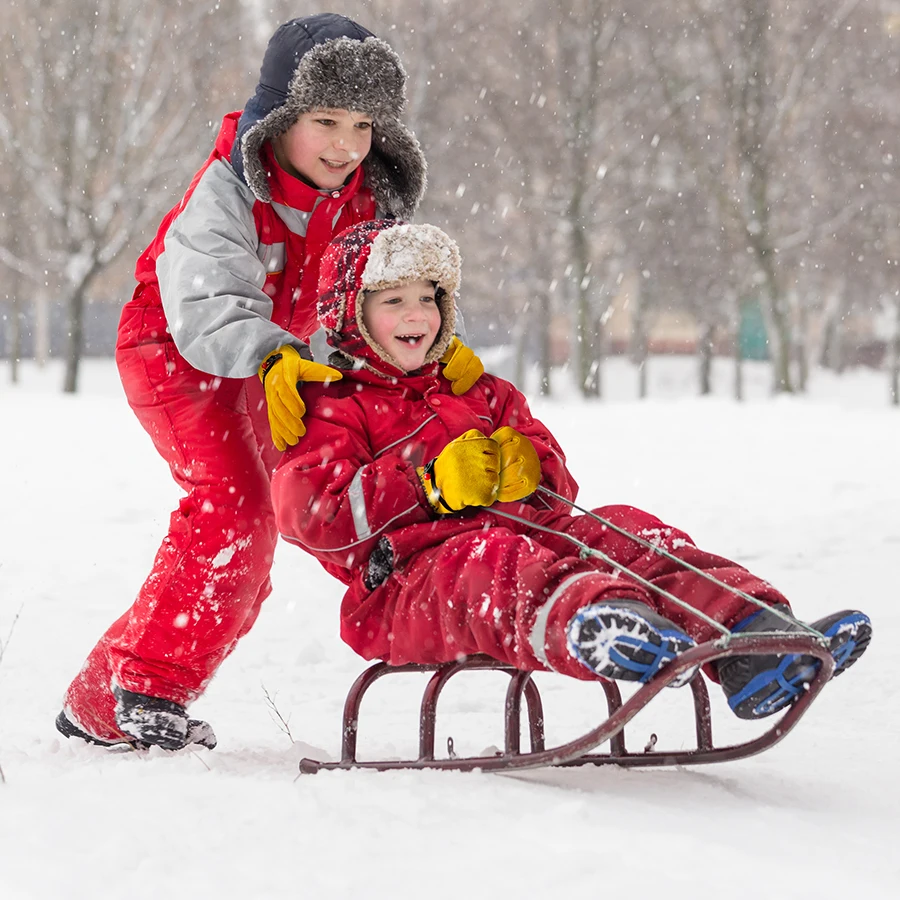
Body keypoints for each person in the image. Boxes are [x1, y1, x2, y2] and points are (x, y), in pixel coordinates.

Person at [56, 14, 483, 751]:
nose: (346, 145)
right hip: (178, 353)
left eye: (362, 124)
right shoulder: (227, 190)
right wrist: (270, 354)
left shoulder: (367, 206)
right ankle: (151, 686)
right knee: (237, 509)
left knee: (322, 499)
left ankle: (100, 706)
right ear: (281, 118)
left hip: (288, 365)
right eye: (325, 120)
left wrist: (433, 360)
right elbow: (208, 297)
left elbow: (371, 307)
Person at [270, 219, 872, 722]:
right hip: (410, 584)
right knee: (488, 561)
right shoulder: (331, 403)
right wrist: (427, 485)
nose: (416, 314)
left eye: (427, 298)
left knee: (624, 531)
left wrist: (530, 468)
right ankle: (600, 624)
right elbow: (312, 516)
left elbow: (558, 489)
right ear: (351, 315)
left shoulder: (478, 391)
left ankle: (754, 639)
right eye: (394, 300)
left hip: (530, 540)